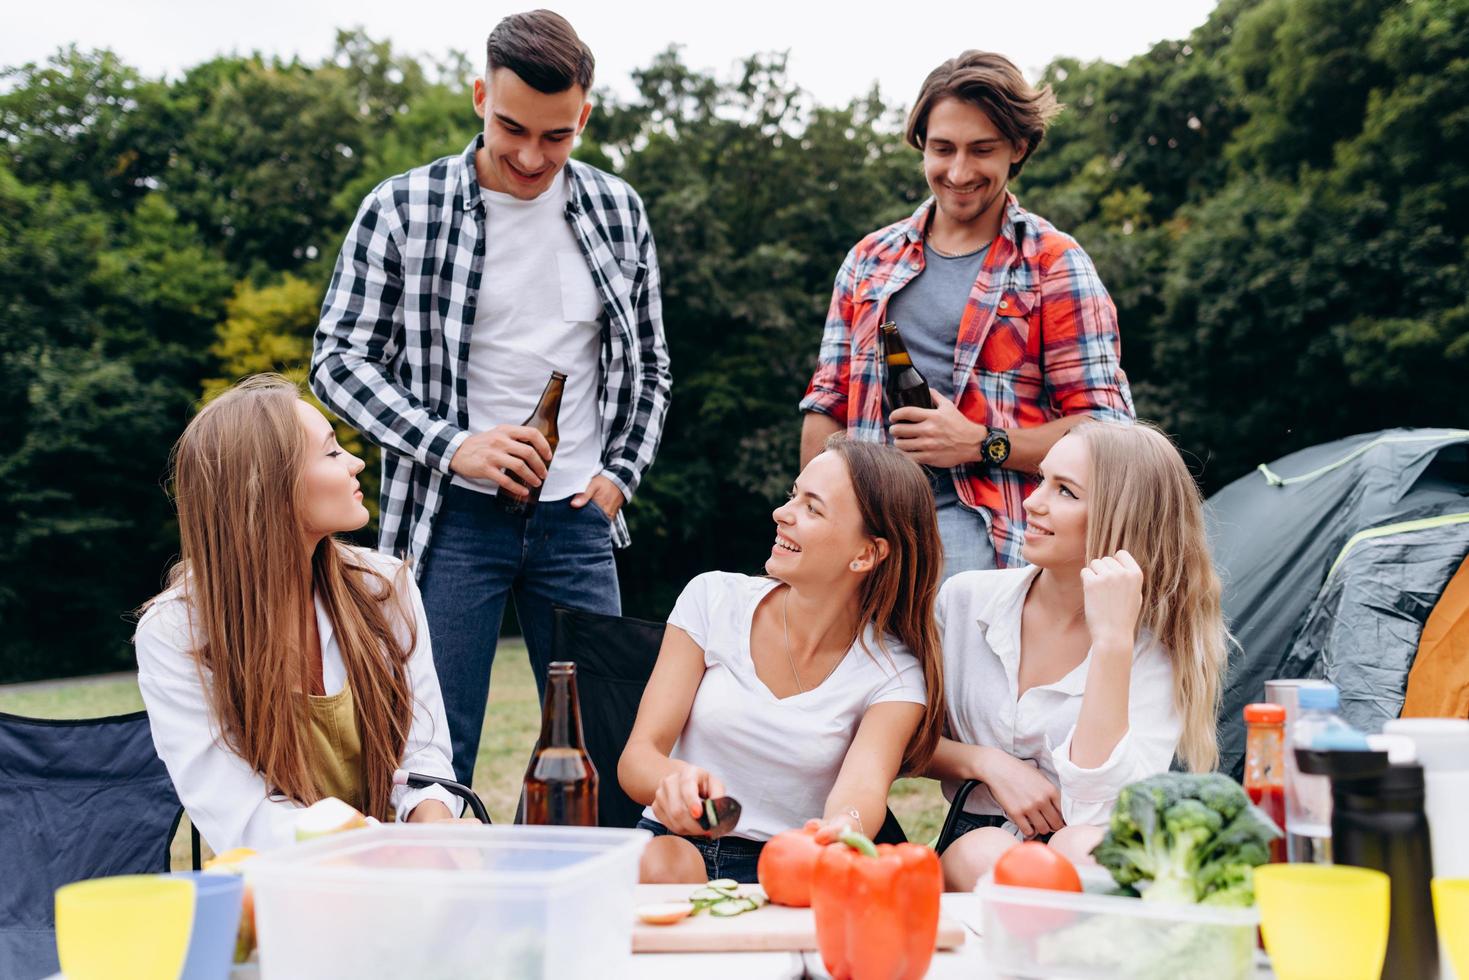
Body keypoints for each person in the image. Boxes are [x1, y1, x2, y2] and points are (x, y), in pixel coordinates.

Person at [311, 10, 671, 785]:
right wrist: (455, 446)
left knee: (604, 744)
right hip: (449, 520)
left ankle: (584, 899)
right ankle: (435, 900)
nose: (531, 155)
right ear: (479, 95)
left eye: (557, 136)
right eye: (512, 128)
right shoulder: (402, 208)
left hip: (578, 519)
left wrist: (616, 482)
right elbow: (336, 361)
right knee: (431, 750)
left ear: (584, 117)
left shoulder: (619, 212)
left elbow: (650, 371)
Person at [799, 50, 1134, 579]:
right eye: (942, 149)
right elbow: (829, 401)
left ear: (1017, 148)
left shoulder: (1053, 263)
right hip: (864, 524)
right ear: (920, 145)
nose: (958, 172)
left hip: (984, 532)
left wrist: (981, 442)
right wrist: (814, 515)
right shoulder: (869, 258)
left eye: (982, 150)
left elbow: (1110, 429)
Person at [134, 375, 462, 854]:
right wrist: (392, 848)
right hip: (279, 896)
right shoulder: (175, 632)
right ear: (268, 487)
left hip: (399, 880)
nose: (356, 463)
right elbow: (244, 820)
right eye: (332, 453)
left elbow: (423, 754)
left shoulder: (384, 586)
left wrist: (434, 828)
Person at [619, 439, 945, 884]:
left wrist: (845, 825)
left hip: (794, 863)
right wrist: (671, 779)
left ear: (866, 554)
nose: (782, 513)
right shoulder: (713, 598)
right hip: (679, 846)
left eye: (813, 508)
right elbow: (639, 756)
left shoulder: (895, 673)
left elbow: (862, 788)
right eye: (794, 495)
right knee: (656, 864)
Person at [929, 420, 1227, 891]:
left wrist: (1112, 644)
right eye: (1042, 479)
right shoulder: (964, 601)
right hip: (977, 846)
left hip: (1093, 855)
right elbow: (902, 743)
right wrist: (984, 762)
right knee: (986, 850)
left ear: (1119, 519)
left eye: (1065, 491)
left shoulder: (1159, 649)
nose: (1032, 501)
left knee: (1078, 853)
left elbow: (1097, 812)